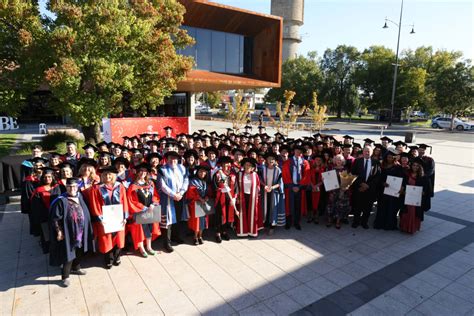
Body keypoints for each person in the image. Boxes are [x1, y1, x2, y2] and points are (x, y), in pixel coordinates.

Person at [49, 178, 95, 288]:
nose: (72, 189)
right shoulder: (61, 200)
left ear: (77, 187)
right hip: (68, 231)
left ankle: (76, 268)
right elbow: (55, 218)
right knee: (68, 253)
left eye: (74, 186)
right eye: (69, 187)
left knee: (80, 250)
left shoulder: (80, 196)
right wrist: (59, 231)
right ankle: (65, 276)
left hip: (81, 230)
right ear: (66, 187)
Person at [89, 166, 129, 268]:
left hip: (118, 217)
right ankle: (109, 259)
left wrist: (125, 217)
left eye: (110, 174)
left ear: (114, 176)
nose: (107, 176)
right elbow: (95, 204)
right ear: (101, 176)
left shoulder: (120, 186)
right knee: (107, 240)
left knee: (118, 238)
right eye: (105, 174)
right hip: (104, 219)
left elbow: (124, 201)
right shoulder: (96, 188)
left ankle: (117, 256)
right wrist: (100, 219)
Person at [127, 163, 161, 257]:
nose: (143, 173)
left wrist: (153, 204)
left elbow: (155, 195)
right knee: (141, 230)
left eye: (145, 171)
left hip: (151, 209)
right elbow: (132, 201)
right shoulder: (133, 186)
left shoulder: (150, 183)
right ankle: (142, 248)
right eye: (141, 171)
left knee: (149, 228)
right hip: (139, 211)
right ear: (137, 172)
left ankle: (149, 247)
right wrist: (144, 208)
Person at [159, 151, 189, 252]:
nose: (173, 160)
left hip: (180, 197)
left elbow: (186, 180)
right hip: (168, 198)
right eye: (171, 158)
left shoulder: (182, 168)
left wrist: (181, 192)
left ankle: (176, 236)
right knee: (168, 220)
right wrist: (174, 194)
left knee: (178, 217)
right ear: (167, 159)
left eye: (175, 158)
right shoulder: (162, 169)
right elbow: (162, 186)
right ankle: (167, 242)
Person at [30, 168, 62, 253]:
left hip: (57, 215)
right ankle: (48, 248)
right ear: (42, 178)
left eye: (49, 177)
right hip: (44, 216)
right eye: (45, 177)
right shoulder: (38, 190)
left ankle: (58, 248)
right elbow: (36, 206)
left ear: (53, 177)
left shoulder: (57, 187)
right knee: (46, 233)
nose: (47, 179)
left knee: (57, 231)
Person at [351, 146, 381, 229]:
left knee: (368, 207)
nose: (367, 153)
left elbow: (378, 176)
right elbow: (353, 174)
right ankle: (356, 221)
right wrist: (361, 184)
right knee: (357, 206)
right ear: (363, 152)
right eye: (365, 151)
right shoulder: (357, 161)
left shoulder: (376, 162)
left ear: (372, 152)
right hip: (359, 188)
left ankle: (364, 222)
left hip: (370, 189)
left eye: (369, 151)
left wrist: (368, 185)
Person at [399, 158, 432, 234]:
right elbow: (403, 185)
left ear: (420, 167)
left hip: (416, 200)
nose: (415, 167)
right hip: (406, 198)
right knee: (405, 212)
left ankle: (412, 228)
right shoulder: (407, 174)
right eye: (414, 165)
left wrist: (423, 193)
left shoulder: (424, 178)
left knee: (414, 213)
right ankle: (404, 227)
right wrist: (402, 190)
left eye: (417, 166)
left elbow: (428, 191)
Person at [374, 149, 404, 230]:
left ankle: (389, 225)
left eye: (391, 157)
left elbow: (400, 178)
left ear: (394, 158)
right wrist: (382, 183)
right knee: (381, 207)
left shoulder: (398, 167)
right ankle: (380, 223)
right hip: (383, 191)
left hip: (392, 192)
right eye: (388, 157)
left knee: (391, 208)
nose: (389, 159)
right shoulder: (382, 166)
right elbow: (378, 177)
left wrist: (400, 187)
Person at [282, 145, 310, 230]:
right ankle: (289, 222)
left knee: (298, 206)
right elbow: (285, 174)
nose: (298, 152)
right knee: (289, 205)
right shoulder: (288, 162)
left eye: (300, 151)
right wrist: (291, 186)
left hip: (300, 188)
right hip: (290, 187)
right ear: (294, 151)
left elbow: (306, 175)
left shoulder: (305, 162)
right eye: (297, 150)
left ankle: (297, 222)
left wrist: (300, 186)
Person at [212, 156, 237, 243]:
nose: (227, 165)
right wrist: (221, 189)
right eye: (225, 163)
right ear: (222, 164)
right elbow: (214, 186)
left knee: (226, 215)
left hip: (229, 198)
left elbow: (236, 187)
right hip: (220, 198)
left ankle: (224, 231)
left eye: (228, 163)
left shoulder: (232, 175)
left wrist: (234, 198)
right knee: (219, 216)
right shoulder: (218, 174)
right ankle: (218, 233)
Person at [259, 152, 285, 234]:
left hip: (274, 192)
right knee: (265, 208)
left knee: (273, 208)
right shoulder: (263, 169)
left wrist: (272, 188)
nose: (271, 160)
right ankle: (265, 224)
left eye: (273, 159)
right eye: (269, 159)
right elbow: (259, 179)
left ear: (275, 161)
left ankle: (272, 226)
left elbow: (280, 183)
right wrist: (265, 186)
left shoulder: (278, 170)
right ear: (266, 160)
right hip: (265, 192)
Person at [186, 165, 211, 245]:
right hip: (195, 204)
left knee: (203, 221)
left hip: (204, 203)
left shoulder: (206, 182)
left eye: (204, 172)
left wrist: (207, 197)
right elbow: (191, 193)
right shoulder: (193, 181)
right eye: (200, 171)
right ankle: (195, 237)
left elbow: (209, 192)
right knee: (196, 221)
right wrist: (200, 199)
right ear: (197, 172)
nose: (202, 173)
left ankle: (200, 236)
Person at [236, 158, 261, 237]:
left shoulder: (255, 175)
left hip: (252, 197)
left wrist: (257, 195)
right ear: (243, 165)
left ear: (252, 167)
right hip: (242, 196)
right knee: (243, 213)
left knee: (252, 214)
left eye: (249, 165)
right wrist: (237, 197)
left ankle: (251, 231)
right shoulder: (239, 174)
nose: (247, 166)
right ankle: (242, 231)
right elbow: (236, 186)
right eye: (246, 165)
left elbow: (258, 186)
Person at [325, 155, 351, 229]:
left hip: (342, 190)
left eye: (340, 160)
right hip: (332, 190)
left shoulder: (345, 169)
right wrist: (325, 179)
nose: (338, 161)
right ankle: (330, 220)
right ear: (334, 161)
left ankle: (338, 221)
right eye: (337, 160)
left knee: (340, 205)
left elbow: (347, 181)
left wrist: (345, 188)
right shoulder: (330, 168)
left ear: (342, 161)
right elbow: (327, 178)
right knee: (331, 205)